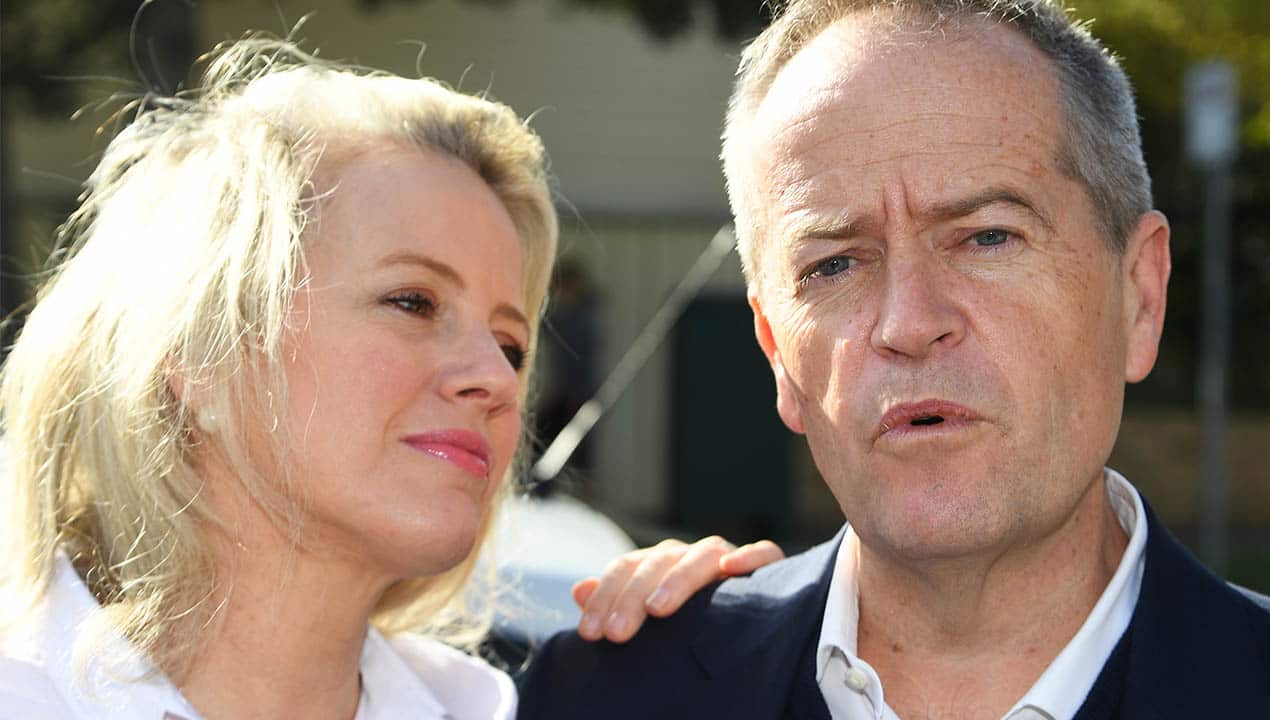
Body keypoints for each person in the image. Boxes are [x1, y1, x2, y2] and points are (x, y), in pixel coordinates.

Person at [519, 1, 1270, 718]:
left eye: (987, 237)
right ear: (777, 353)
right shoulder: (600, 695)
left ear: (1139, 295)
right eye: (835, 265)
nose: (910, 323)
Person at [0, 35, 779, 720]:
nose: (497, 381)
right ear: (198, 352)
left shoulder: (501, 707)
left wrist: (759, 667)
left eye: (511, 345)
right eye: (413, 301)